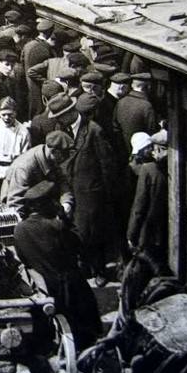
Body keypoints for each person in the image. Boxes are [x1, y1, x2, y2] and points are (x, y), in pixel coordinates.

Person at [13, 180, 102, 350]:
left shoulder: (19, 230)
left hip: (43, 287)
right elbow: (79, 245)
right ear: (48, 204)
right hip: (68, 288)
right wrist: (66, 219)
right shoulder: (56, 227)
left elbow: (24, 259)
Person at [50, 93, 116, 285]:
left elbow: (107, 165)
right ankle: (84, 266)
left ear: (70, 112)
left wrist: (106, 194)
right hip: (70, 189)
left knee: (94, 232)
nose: (59, 121)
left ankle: (100, 270)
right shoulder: (61, 128)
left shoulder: (94, 131)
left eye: (60, 116)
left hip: (91, 193)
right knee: (75, 232)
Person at [3, 130, 75, 216]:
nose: (65, 159)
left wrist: (67, 202)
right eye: (64, 155)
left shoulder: (51, 156)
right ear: (54, 151)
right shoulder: (24, 167)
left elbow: (62, 182)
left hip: (41, 206)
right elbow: (15, 204)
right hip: (23, 209)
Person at [127, 129, 168, 264]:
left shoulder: (148, 170)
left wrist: (131, 234)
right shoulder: (169, 168)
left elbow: (139, 206)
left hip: (149, 229)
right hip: (165, 228)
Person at [0, 97, 30, 199]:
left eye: (10, 114)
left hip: (11, 172)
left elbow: (25, 156)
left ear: (15, 113)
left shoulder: (23, 132)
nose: (6, 118)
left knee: (9, 201)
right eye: (3, 114)